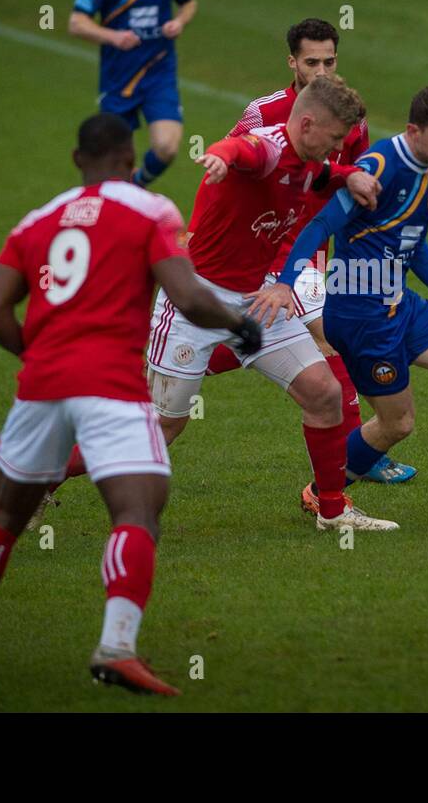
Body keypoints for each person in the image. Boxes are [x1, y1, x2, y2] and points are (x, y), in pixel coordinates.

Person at [0, 113, 260, 696]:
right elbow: (186, 294)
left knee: (3, 518)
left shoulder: (37, 220)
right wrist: (237, 323)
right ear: (131, 161)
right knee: (136, 513)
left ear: (77, 160)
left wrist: (37, 353)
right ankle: (116, 647)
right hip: (109, 386)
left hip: (42, 385)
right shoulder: (150, 210)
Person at [250, 86, 428, 524]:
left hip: (399, 304)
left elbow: (415, 247)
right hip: (360, 317)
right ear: (413, 131)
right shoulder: (379, 167)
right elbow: (319, 225)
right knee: (397, 424)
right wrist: (286, 284)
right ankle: (321, 491)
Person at [140, 75, 397, 531]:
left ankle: (332, 512)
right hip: (194, 302)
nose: (339, 147)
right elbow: (245, 151)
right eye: (335, 138)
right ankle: (46, 480)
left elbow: (321, 174)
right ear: (309, 123)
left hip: (256, 299)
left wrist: (349, 173)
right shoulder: (270, 148)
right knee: (162, 429)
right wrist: (219, 157)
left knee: (324, 393)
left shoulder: (308, 158)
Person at [207, 17, 418, 493]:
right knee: (328, 339)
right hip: (269, 254)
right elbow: (233, 169)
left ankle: (194, 357)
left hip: (314, 249)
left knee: (305, 340)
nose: (321, 71)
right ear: (292, 63)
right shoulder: (264, 112)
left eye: (329, 61)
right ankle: (356, 457)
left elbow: (349, 175)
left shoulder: (349, 115)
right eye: (311, 62)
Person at [68, 0, 195, 187]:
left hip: (159, 74)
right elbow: (76, 23)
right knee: (111, 162)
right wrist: (112, 36)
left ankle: (136, 186)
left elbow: (189, 2)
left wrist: (180, 21)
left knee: (167, 147)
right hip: (118, 78)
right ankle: (117, 200)